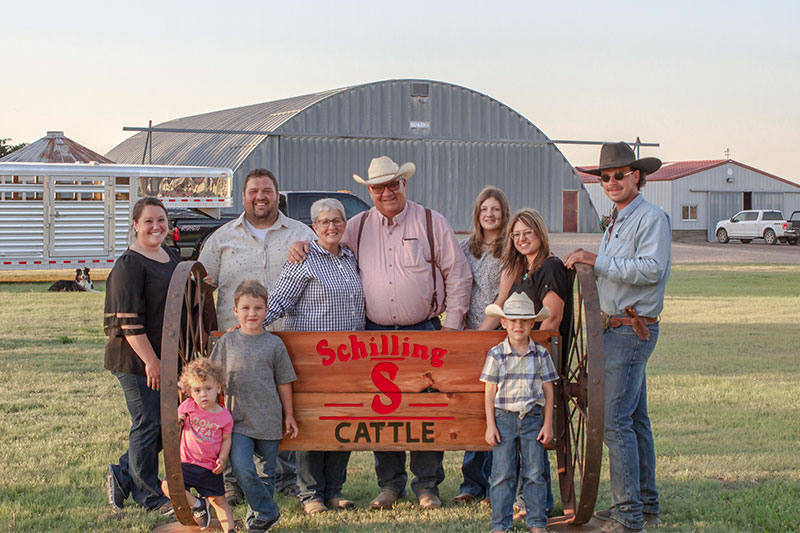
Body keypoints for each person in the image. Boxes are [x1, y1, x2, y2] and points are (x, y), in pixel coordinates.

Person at [287, 155, 472, 509]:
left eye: (392, 184)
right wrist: (299, 245)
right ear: (369, 191)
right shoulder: (356, 225)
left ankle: (427, 486)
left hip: (424, 330)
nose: (386, 192)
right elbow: (328, 245)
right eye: (378, 187)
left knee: (425, 410)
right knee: (383, 409)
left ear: (404, 184)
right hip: (373, 334)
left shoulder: (431, 222)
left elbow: (458, 275)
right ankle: (389, 485)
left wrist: (451, 327)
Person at [565, 141, 671, 533]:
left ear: (636, 176)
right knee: (636, 419)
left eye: (619, 175)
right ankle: (645, 505)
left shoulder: (650, 218)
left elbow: (651, 269)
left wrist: (596, 260)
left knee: (613, 423)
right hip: (615, 327)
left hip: (631, 328)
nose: (611, 182)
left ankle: (628, 516)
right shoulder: (618, 218)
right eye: (606, 177)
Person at [199, 168, 314, 502]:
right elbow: (203, 287)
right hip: (234, 343)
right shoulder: (221, 239)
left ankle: (284, 477)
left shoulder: (301, 233)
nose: (260, 197)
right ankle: (232, 480)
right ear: (243, 196)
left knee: (283, 403)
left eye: (267, 190)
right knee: (232, 407)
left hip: (286, 336)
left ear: (277, 195)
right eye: (253, 191)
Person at [263, 198, 364, 514]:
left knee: (343, 422)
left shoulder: (349, 257)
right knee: (313, 424)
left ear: (345, 224)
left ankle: (334, 490)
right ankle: (311, 495)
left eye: (337, 221)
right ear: (313, 227)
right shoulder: (304, 260)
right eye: (324, 222)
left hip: (350, 359)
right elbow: (279, 301)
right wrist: (250, 328)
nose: (332, 227)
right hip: (312, 359)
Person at [481, 208, 573, 517]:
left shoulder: (550, 267)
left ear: (540, 234)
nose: (521, 239)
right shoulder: (524, 269)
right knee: (517, 441)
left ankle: (535, 502)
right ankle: (521, 499)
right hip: (516, 363)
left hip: (535, 364)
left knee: (533, 442)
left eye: (527, 233)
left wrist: (529, 358)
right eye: (516, 235)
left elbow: (552, 320)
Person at [104, 197, 180, 515]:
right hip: (136, 359)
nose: (156, 227)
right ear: (135, 224)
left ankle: (123, 474)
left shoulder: (171, 257)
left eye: (161, 220)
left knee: (167, 424)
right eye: (148, 221)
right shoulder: (129, 264)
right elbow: (128, 321)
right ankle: (149, 496)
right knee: (148, 422)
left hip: (166, 356)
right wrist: (152, 360)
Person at [210, 280, 299, 532]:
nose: (252, 314)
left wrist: (289, 415)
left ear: (266, 310)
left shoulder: (274, 344)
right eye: (246, 308)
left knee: (265, 474)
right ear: (236, 310)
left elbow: (284, 382)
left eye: (258, 308)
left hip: (269, 419)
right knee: (242, 468)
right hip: (237, 419)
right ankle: (269, 510)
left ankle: (258, 520)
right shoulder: (227, 343)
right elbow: (213, 378)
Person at [481, 292, 557, 533]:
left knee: (535, 473)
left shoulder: (541, 353)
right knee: (502, 473)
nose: (518, 326)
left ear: (532, 323)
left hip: (532, 418)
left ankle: (536, 522)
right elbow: (489, 393)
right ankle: (501, 525)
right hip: (504, 418)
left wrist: (548, 424)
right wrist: (490, 425)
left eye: (524, 321)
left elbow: (548, 390)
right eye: (513, 321)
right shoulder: (496, 354)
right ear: (503, 323)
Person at [453, 186, 510, 505]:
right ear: (477, 213)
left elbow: (501, 299)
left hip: (495, 335)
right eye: (485, 209)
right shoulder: (465, 248)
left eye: (496, 209)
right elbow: (455, 286)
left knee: (497, 409)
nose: (490, 214)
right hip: (466, 332)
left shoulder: (509, 250)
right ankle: (471, 483)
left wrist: (480, 335)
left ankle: (495, 484)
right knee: (474, 409)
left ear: (504, 214)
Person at [161, 359, 235, 532]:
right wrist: (179, 420)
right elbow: (180, 418)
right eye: (197, 390)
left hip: (209, 467)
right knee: (167, 486)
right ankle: (197, 504)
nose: (203, 394)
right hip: (186, 463)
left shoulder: (224, 416)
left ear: (218, 387)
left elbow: (226, 440)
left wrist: (222, 459)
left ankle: (229, 530)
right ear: (190, 392)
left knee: (219, 501)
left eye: (208, 389)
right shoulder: (188, 406)